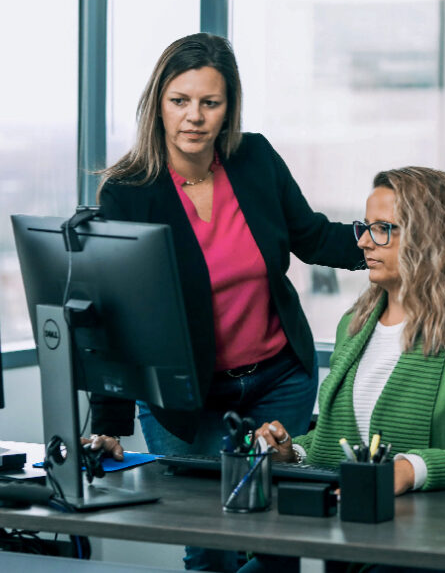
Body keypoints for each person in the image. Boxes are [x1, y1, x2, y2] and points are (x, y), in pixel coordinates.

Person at [84, 33, 363, 571]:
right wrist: (108, 423)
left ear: (228, 108)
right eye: (180, 101)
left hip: (279, 379)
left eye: (210, 103)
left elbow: (310, 236)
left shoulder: (254, 157)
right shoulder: (129, 192)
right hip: (188, 398)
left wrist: (382, 243)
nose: (194, 117)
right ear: (157, 105)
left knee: (278, 537)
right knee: (209, 542)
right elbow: (112, 313)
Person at [246, 167, 445, 573]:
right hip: (355, 527)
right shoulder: (356, 323)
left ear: (428, 236)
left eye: (383, 229)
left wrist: (408, 469)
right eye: (365, 227)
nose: (362, 240)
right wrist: (293, 453)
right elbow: (345, 439)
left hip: (439, 538)